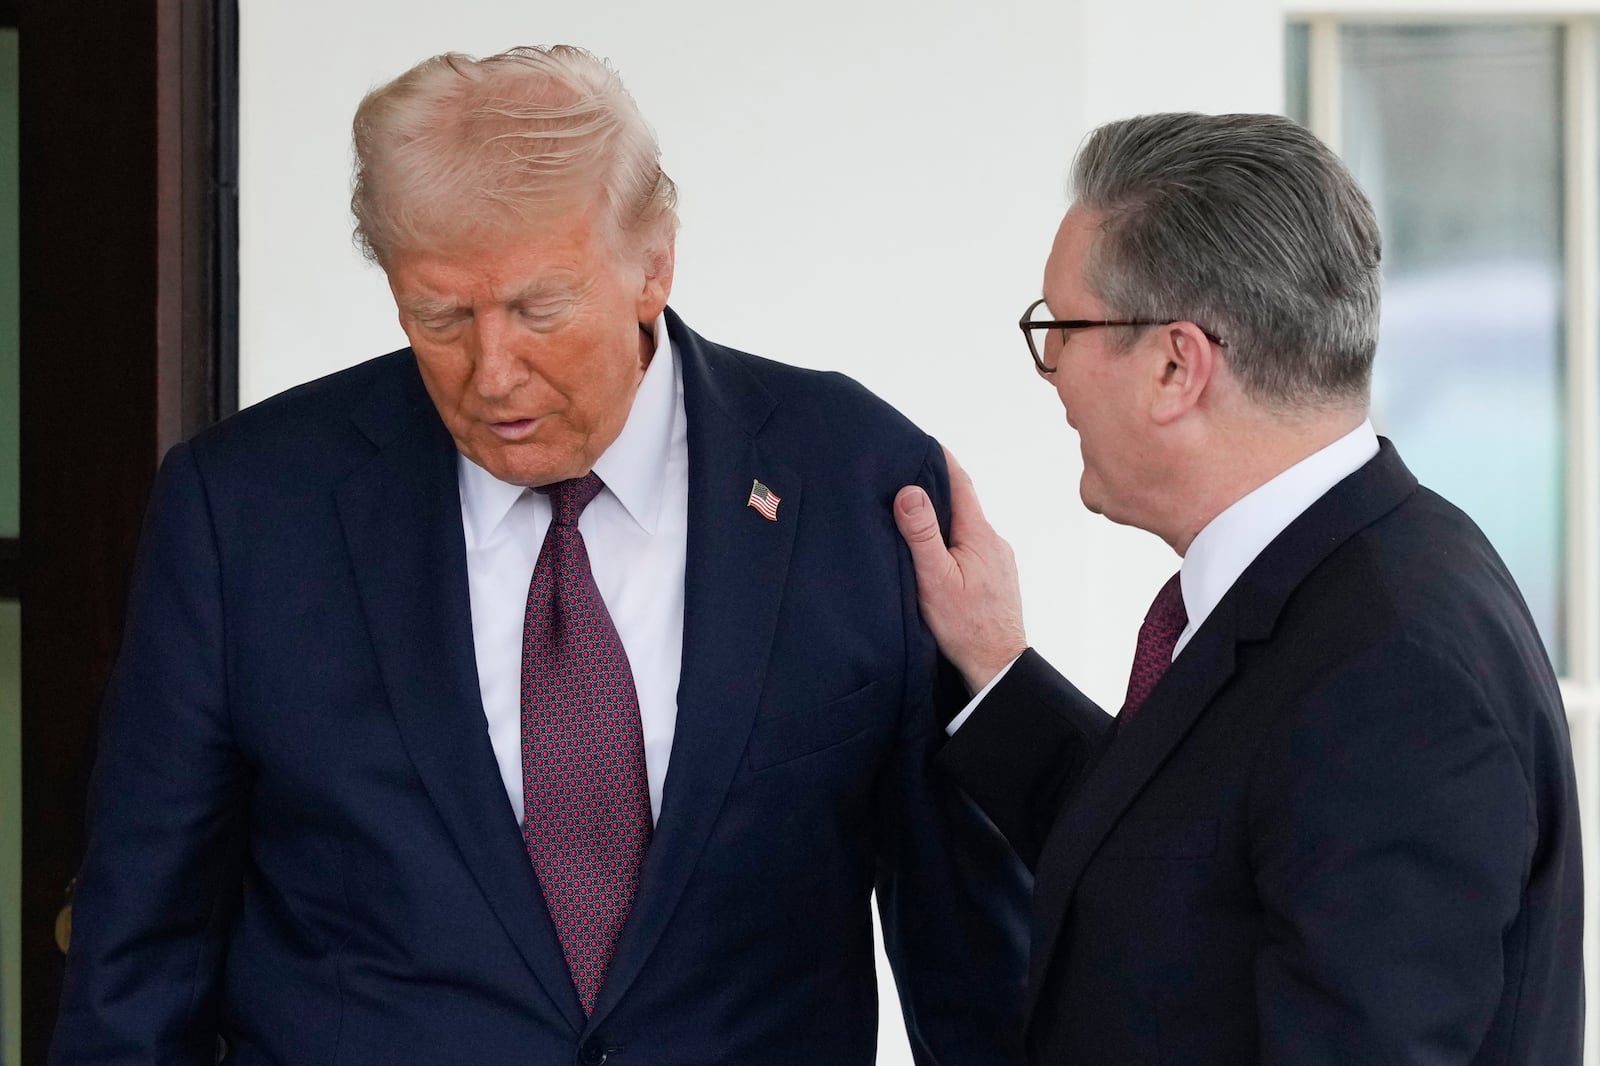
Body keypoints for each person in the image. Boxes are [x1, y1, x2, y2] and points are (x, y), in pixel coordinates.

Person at [51, 45, 1028, 1066]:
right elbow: (139, 948)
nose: (491, 371)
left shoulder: (855, 479)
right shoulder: (245, 508)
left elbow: (968, 947)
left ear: (653, 264)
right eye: (439, 317)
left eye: (537, 309)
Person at [893, 111, 1583, 1064]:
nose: (1050, 373)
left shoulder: (1393, 672)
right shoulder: (1355, 568)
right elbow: (1178, 870)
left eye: (1062, 330)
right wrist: (996, 666)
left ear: (1177, 364)